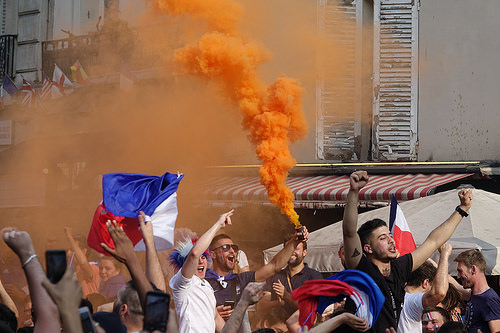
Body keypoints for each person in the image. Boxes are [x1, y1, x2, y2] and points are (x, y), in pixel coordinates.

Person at [342, 171, 472, 332]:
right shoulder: (361, 268)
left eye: (390, 235)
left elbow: (434, 241)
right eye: (382, 238)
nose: (391, 240)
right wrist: (354, 192)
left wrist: (462, 210)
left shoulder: (398, 268)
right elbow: (349, 232)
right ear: (367, 248)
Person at [205, 226, 309, 329]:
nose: (232, 251)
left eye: (234, 248)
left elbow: (274, 266)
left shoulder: (241, 279)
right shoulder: (202, 281)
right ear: (213, 254)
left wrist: (294, 242)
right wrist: (213, 315)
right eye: (226, 248)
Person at [168, 210, 234, 333]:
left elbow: (216, 319)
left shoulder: (207, 286)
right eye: (197, 259)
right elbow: (194, 254)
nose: (200, 261)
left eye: (203, 257)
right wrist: (218, 224)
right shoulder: (183, 283)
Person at [260, 239, 323, 318]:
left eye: (296, 248)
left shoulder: (314, 277)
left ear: (304, 252)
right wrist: (276, 303)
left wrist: (286, 295)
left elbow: (313, 308)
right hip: (278, 328)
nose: (292, 252)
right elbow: (261, 307)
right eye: (288, 249)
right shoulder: (275, 276)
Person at [398, 243, 452, 332]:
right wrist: (444, 255)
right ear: (425, 283)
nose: (431, 291)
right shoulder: (412, 301)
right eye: (432, 286)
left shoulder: (394, 294)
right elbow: (439, 293)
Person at [453, 249, 500, 333]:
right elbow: (454, 285)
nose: (458, 276)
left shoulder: (489, 299)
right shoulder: (474, 295)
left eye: (460, 271)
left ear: (473, 269)